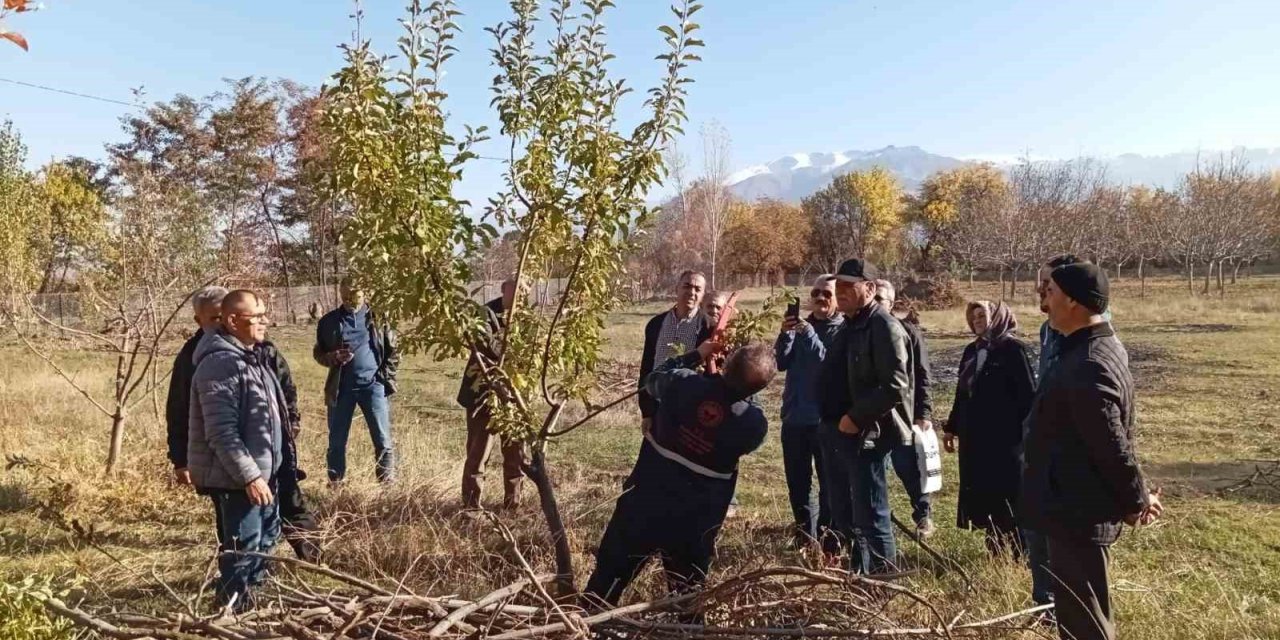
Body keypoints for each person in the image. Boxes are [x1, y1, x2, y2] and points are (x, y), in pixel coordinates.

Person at [1021, 262, 1161, 640]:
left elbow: (1112, 444)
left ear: (1073, 302)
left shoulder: (1088, 362)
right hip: (1068, 505)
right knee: (1078, 615)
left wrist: (1136, 500)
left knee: (1086, 623)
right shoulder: (1087, 348)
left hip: (1077, 511)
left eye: (1049, 292)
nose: (1043, 301)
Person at [584, 340, 775, 606]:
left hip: (642, 505)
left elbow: (653, 381)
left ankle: (581, 628)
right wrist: (734, 387)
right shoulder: (753, 425)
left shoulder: (683, 383)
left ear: (728, 363)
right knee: (687, 600)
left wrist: (697, 355)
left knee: (604, 585)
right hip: (694, 525)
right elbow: (750, 412)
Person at [188, 290, 286, 612]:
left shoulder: (249, 355)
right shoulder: (220, 364)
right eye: (256, 316)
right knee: (242, 550)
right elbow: (221, 433)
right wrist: (251, 477)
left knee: (263, 544)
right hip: (238, 479)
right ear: (233, 321)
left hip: (261, 474)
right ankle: (232, 613)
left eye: (263, 314)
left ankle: (254, 610)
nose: (264, 321)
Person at [818, 258, 912, 575]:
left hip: (867, 434)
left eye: (848, 285)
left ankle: (884, 585)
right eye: (838, 285)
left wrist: (854, 418)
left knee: (872, 515)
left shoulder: (884, 327)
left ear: (869, 288)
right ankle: (861, 578)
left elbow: (896, 386)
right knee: (850, 517)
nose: (839, 291)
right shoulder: (852, 324)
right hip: (840, 433)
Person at [943, 300, 1036, 556]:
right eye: (973, 318)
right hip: (975, 437)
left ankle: (1020, 552)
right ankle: (995, 549)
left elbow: (1029, 396)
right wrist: (951, 427)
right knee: (985, 491)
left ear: (997, 316)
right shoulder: (972, 351)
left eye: (982, 315)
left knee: (1009, 492)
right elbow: (962, 394)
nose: (977, 321)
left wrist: (1027, 436)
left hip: (1007, 439)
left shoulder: (1013, 349)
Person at [774, 274, 843, 549]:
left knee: (829, 485)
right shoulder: (802, 327)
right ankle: (805, 539)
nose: (820, 299)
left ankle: (829, 542)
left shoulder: (842, 330)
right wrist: (785, 334)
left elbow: (826, 365)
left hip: (825, 421)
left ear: (837, 298)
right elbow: (781, 363)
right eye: (816, 293)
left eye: (827, 294)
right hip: (794, 418)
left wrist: (808, 334)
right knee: (798, 485)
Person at [314, 277, 400, 483]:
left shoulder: (379, 318)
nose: (350, 302)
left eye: (355, 296)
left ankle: (387, 487)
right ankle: (336, 485)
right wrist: (333, 357)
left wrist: (383, 378)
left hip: (373, 387)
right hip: (340, 389)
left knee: (383, 440)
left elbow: (394, 351)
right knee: (336, 442)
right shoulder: (328, 322)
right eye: (345, 297)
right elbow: (319, 353)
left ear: (365, 294)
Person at [254, 299, 322, 562]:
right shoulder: (211, 355)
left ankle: (313, 560)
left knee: (291, 499)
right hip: (248, 453)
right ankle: (254, 566)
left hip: (279, 442)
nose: (263, 322)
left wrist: (292, 422)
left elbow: (287, 388)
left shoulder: (268, 352)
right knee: (255, 509)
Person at [873, 279, 936, 537]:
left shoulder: (908, 332)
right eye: (871, 297)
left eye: (880, 299)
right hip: (872, 416)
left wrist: (923, 413)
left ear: (891, 303)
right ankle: (878, 518)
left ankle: (923, 516)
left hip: (903, 414)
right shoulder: (859, 330)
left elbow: (922, 374)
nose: (874, 304)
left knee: (909, 467)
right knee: (876, 470)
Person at [458, 279, 525, 510]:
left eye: (524, 293)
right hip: (483, 395)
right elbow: (488, 348)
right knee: (478, 455)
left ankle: (513, 505)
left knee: (515, 454)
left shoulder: (527, 320)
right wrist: (516, 350)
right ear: (504, 290)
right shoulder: (485, 314)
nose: (519, 297)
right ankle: (471, 508)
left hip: (514, 398)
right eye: (515, 291)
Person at [167, 286, 228, 487]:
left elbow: (284, 389)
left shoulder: (256, 345)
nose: (223, 324)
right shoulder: (190, 357)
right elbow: (178, 408)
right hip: (213, 455)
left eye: (227, 316)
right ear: (198, 320)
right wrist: (180, 459)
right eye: (215, 318)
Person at [638, 270, 710, 433]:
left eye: (697, 289)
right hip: (657, 404)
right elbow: (646, 366)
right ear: (677, 288)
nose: (691, 292)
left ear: (703, 295)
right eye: (687, 286)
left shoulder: (707, 328)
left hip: (688, 408)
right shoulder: (656, 324)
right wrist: (647, 412)